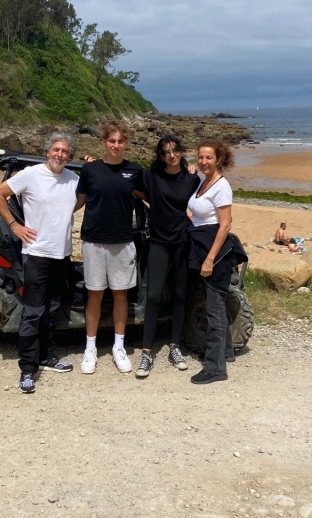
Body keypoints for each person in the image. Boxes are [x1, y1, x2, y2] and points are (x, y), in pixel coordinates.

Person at [0, 133, 78, 394]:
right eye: (55, 150)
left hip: (61, 254)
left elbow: (80, 200)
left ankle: (46, 356)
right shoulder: (31, 174)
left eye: (64, 151)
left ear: (69, 156)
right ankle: (28, 368)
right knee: (33, 312)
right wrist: (15, 225)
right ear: (47, 152)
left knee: (51, 310)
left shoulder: (73, 180)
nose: (59, 155)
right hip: (36, 253)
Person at [75, 120, 143, 375]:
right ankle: (90, 348)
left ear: (126, 143)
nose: (116, 145)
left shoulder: (135, 171)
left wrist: (187, 171)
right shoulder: (90, 170)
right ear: (103, 142)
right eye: (111, 140)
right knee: (94, 294)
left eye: (121, 141)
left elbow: (155, 193)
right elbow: (77, 203)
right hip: (93, 241)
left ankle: (118, 347)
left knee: (120, 295)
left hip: (123, 242)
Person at [133, 134, 200, 378]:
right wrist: (93, 162)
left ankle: (174, 347)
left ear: (181, 151)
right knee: (152, 296)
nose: (171, 155)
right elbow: (130, 184)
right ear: (160, 155)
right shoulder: (150, 176)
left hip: (181, 242)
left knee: (180, 295)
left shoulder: (191, 178)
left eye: (175, 150)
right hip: (159, 242)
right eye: (166, 152)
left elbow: (203, 201)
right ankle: (147, 352)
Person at [187, 140, 245, 385]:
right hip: (202, 246)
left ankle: (215, 367)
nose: (203, 161)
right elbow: (198, 214)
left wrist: (210, 258)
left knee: (214, 308)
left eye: (208, 158)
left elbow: (225, 225)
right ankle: (227, 353)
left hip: (215, 252)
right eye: (200, 157)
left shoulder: (221, 186)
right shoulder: (203, 181)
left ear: (219, 160)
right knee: (216, 306)